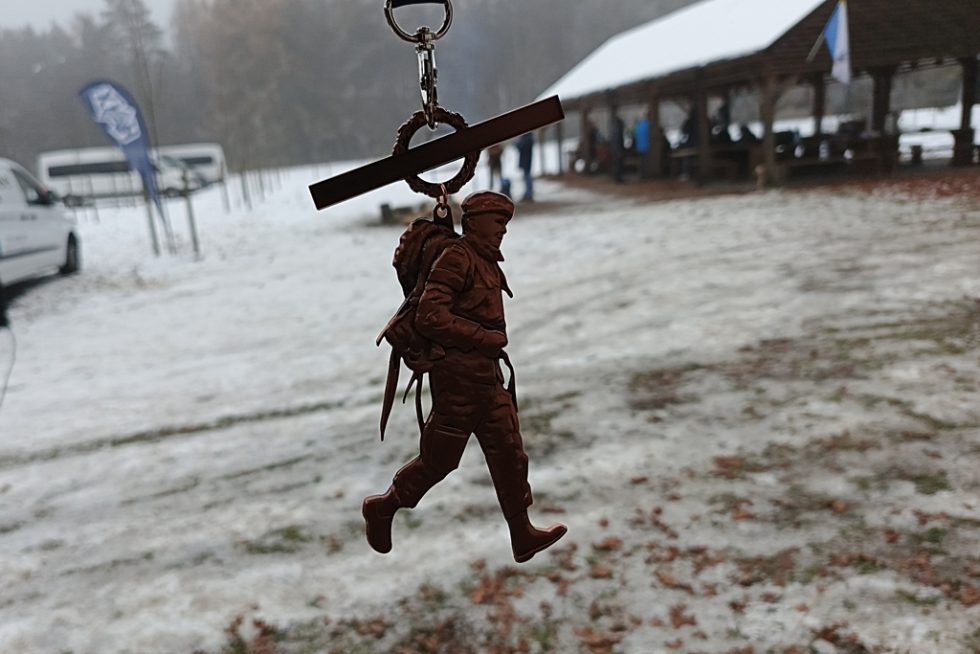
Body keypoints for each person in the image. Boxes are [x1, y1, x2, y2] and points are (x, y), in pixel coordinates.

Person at [362, 191, 567, 563]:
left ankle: (521, 532)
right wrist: (484, 337)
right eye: (498, 223)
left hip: (486, 379)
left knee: (508, 450)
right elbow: (429, 316)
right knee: (439, 460)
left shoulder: (484, 259)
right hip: (458, 381)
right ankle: (385, 505)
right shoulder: (457, 258)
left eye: (505, 223)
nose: (504, 230)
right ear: (475, 222)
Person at [516, 132, 534, 201]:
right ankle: (528, 193)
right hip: (526, 160)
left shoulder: (527, 138)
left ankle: (529, 194)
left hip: (526, 161)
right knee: (526, 177)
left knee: (527, 177)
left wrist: (518, 142)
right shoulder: (528, 138)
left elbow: (520, 146)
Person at [610, 114, 625, 183]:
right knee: (618, 164)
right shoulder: (618, 130)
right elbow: (618, 141)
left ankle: (616, 177)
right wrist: (619, 152)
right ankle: (618, 178)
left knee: (615, 164)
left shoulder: (614, 129)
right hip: (617, 151)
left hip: (614, 150)